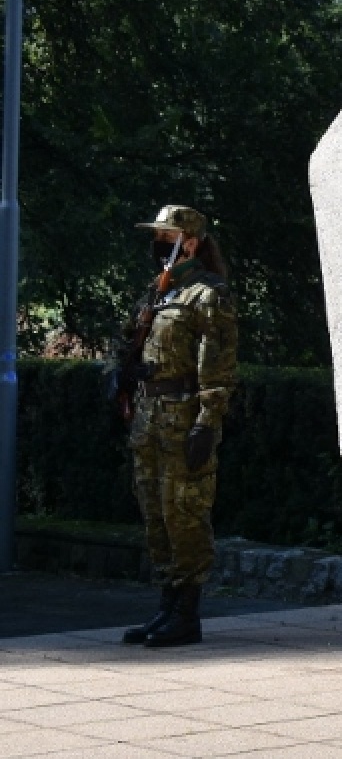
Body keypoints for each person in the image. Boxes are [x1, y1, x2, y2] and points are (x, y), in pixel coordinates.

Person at [117, 205, 238, 648]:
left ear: (190, 242)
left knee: (184, 513)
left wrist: (207, 424)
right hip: (151, 419)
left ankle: (187, 615)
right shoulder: (158, 293)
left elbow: (219, 371)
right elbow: (132, 344)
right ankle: (166, 607)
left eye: (168, 236)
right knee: (155, 514)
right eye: (158, 236)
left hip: (185, 417)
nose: (160, 244)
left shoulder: (208, 296)